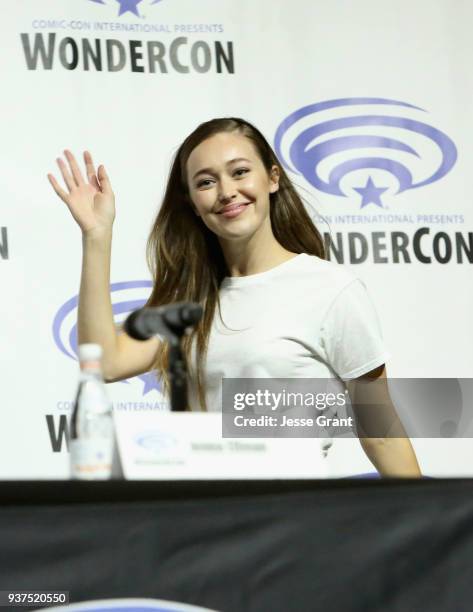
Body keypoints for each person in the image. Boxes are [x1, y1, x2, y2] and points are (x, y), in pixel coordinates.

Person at [48, 117, 421, 477]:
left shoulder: (330, 289)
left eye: (240, 172)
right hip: (201, 518)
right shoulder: (189, 301)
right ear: (193, 202)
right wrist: (97, 235)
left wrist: (429, 526)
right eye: (206, 182)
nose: (227, 191)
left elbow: (380, 431)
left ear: (272, 178)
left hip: (289, 519)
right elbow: (105, 363)